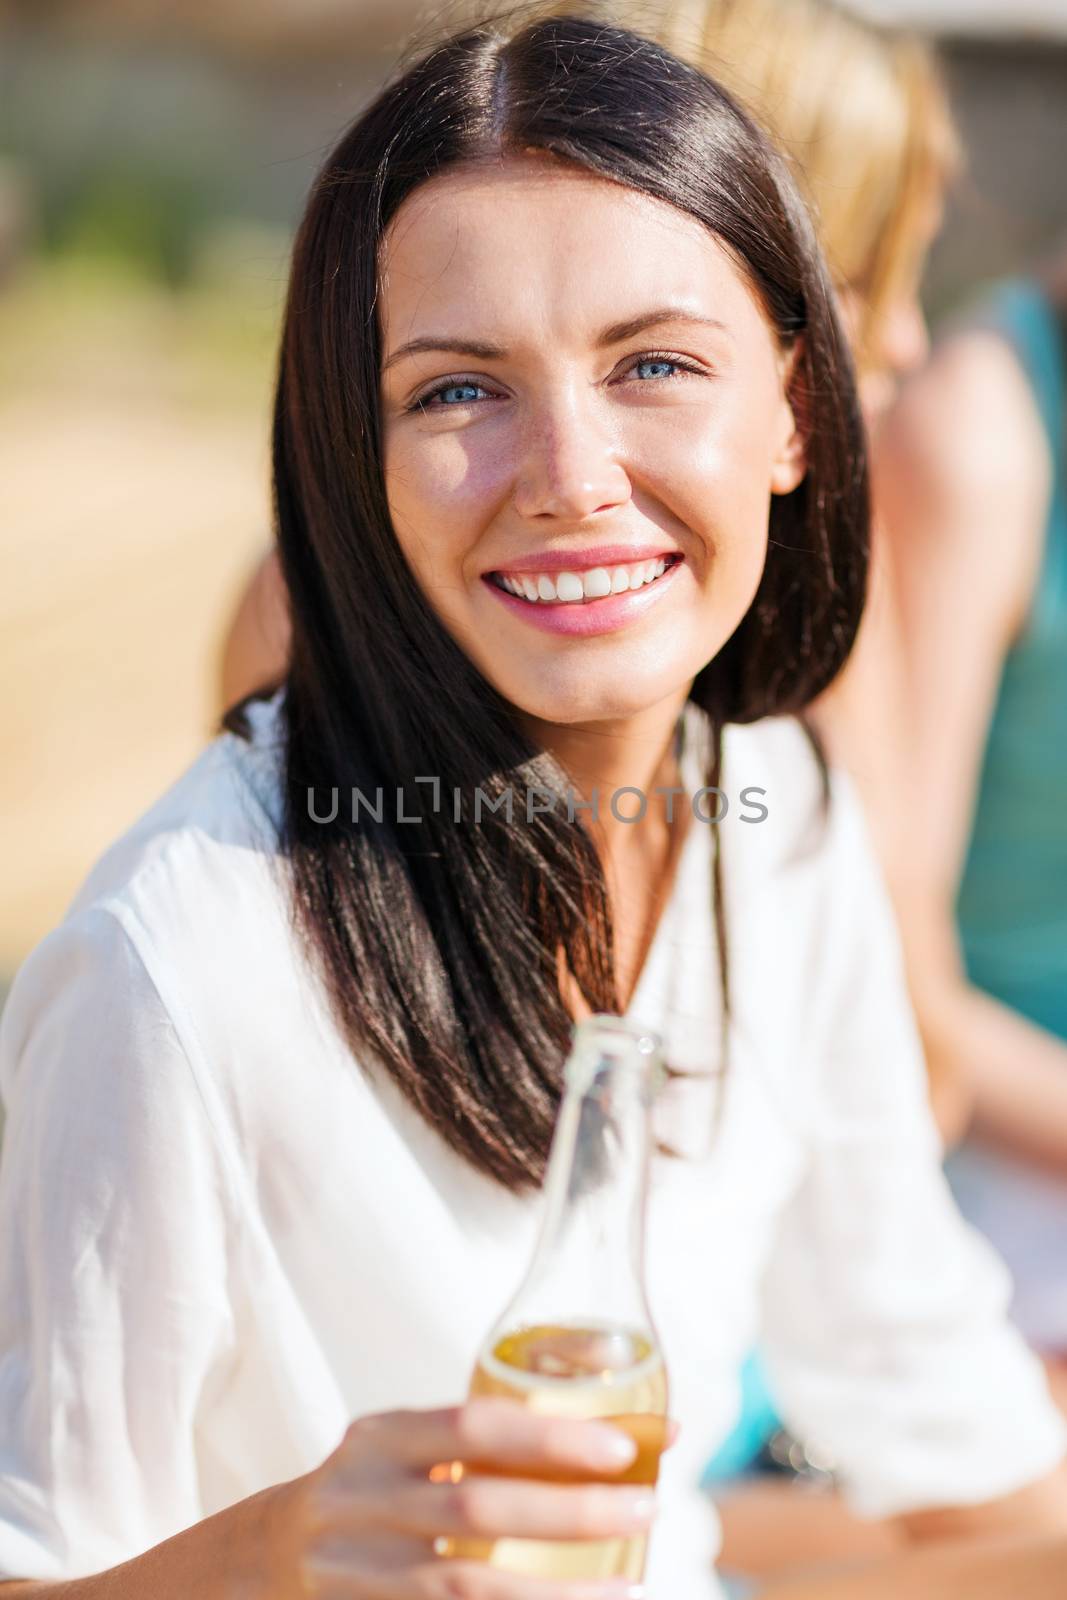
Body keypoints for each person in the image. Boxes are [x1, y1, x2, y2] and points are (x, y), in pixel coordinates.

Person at [1, 15, 1066, 1600]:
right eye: (456, 392)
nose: (569, 472)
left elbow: (943, 1430)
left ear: (791, 405)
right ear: (351, 458)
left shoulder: (782, 817)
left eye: (653, 365)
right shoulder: (178, 965)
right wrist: (268, 1557)